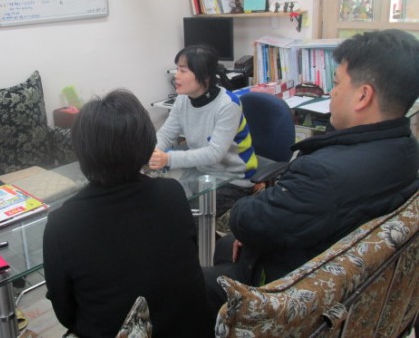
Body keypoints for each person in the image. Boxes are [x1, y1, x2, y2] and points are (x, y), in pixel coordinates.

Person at [204, 29, 419, 316]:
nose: (332, 92)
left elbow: (247, 220)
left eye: (336, 83)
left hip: (284, 293)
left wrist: (251, 217)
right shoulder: (406, 147)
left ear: (363, 95)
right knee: (226, 247)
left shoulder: (321, 174)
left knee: (182, 284)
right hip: (339, 272)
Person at [43, 89, 214, 337]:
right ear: (145, 141)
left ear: (82, 151)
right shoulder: (172, 193)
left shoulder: (62, 223)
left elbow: (65, 312)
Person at [149, 44, 258, 218]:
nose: (176, 75)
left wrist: (168, 159)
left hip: (233, 179)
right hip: (201, 171)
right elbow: (166, 134)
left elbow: (214, 154)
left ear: (205, 76)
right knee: (163, 203)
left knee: (184, 217)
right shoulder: (182, 100)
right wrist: (154, 152)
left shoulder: (228, 105)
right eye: (177, 69)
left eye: (183, 70)